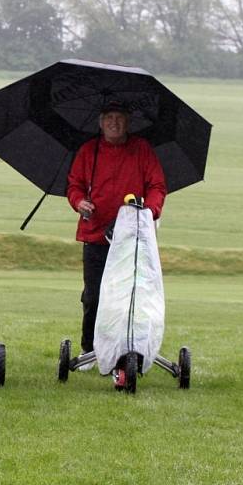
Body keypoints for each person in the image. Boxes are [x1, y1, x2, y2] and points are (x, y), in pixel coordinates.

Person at [67, 100, 167, 368]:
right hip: (96, 234)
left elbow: (157, 185)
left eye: (119, 117)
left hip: (133, 237)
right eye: (109, 117)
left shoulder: (142, 150)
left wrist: (150, 210)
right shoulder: (89, 151)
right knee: (94, 296)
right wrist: (79, 203)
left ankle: (133, 348)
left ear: (128, 121)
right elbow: (74, 186)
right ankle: (90, 349)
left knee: (134, 297)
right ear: (100, 122)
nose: (114, 122)